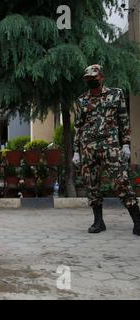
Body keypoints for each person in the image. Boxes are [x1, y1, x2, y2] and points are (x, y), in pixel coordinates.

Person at [73, 64, 140, 235]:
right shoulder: (81, 100)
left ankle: (137, 220)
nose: (90, 81)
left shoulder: (116, 94)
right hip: (88, 147)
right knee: (92, 185)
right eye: (87, 79)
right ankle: (98, 222)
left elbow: (123, 120)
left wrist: (126, 144)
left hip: (110, 146)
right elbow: (78, 127)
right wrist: (76, 151)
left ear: (101, 77)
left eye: (93, 78)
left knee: (121, 181)